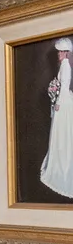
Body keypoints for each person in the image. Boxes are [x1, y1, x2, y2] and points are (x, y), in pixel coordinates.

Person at [40, 37, 73, 198]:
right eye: (59, 51)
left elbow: (65, 86)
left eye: (61, 52)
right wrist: (54, 89)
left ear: (66, 53)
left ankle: (62, 167)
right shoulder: (63, 66)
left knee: (62, 132)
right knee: (59, 133)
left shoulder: (66, 66)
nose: (59, 54)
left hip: (64, 103)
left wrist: (58, 102)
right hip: (63, 100)